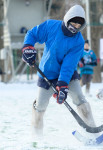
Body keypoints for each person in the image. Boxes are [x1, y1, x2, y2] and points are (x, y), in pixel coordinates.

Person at [22, 5, 96, 136]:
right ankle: (36, 134)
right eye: (73, 22)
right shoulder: (51, 26)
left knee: (80, 98)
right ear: (67, 19)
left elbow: (68, 65)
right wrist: (28, 47)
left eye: (79, 25)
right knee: (40, 106)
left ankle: (93, 129)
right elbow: (32, 34)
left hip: (67, 75)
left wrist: (62, 84)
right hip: (47, 74)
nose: (75, 27)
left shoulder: (78, 41)